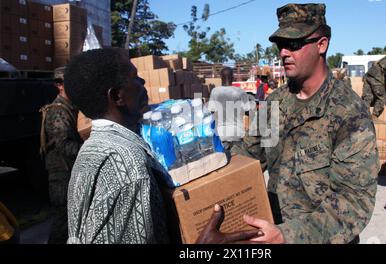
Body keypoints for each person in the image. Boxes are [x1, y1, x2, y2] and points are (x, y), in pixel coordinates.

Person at [65, 48, 259, 244]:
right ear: (117, 97)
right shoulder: (129, 164)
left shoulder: (89, 150)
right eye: (135, 78)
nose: (143, 83)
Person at [232, 3, 379, 244]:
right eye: (281, 45)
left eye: (295, 44)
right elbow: (248, 157)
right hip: (272, 231)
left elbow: (354, 202)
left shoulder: (349, 113)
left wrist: (287, 236)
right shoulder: (275, 103)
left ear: (322, 44)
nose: (283, 53)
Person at [39, 67, 83, 244]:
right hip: (61, 176)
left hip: (71, 171)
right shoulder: (58, 112)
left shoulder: (72, 108)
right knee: (63, 223)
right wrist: (92, 151)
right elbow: (65, 145)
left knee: (74, 222)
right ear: (59, 85)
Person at [208, 67, 254, 151]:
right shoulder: (240, 92)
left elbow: (211, 111)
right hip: (237, 132)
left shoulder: (215, 91)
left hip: (221, 133)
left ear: (221, 77)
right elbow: (247, 112)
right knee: (239, 160)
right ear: (232, 78)